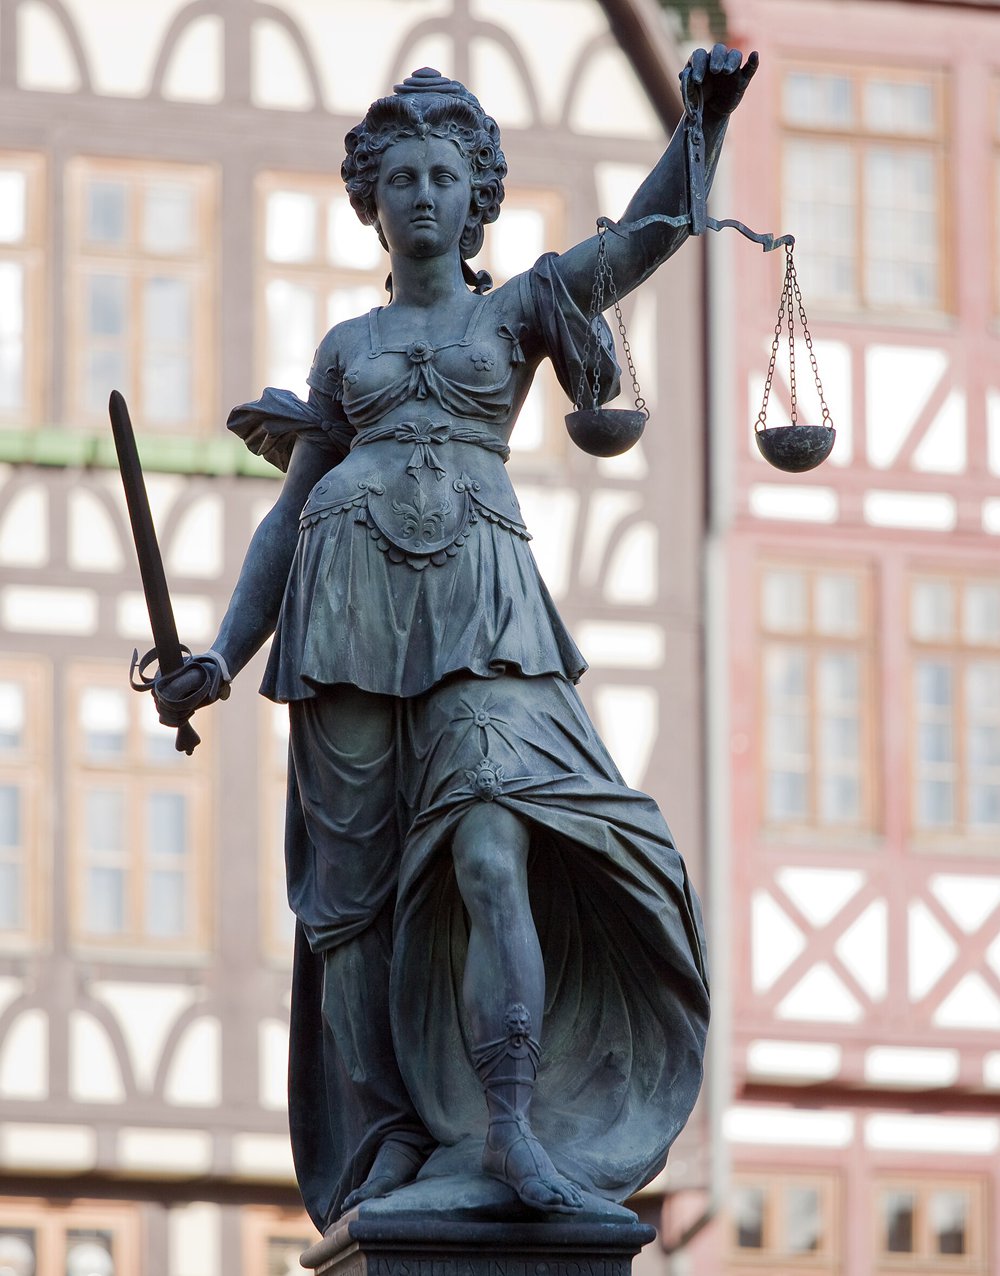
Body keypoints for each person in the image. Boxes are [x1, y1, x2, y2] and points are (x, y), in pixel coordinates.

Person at [153, 47, 756, 1231]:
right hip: (342, 616)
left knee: (491, 851)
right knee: (353, 905)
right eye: (401, 179)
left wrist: (700, 126)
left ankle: (512, 1124)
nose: (422, 195)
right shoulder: (343, 351)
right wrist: (223, 657)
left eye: (443, 175)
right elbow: (286, 517)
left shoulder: (521, 304)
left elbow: (643, 242)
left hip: (482, 619)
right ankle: (384, 1138)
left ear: (476, 194)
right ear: (371, 202)